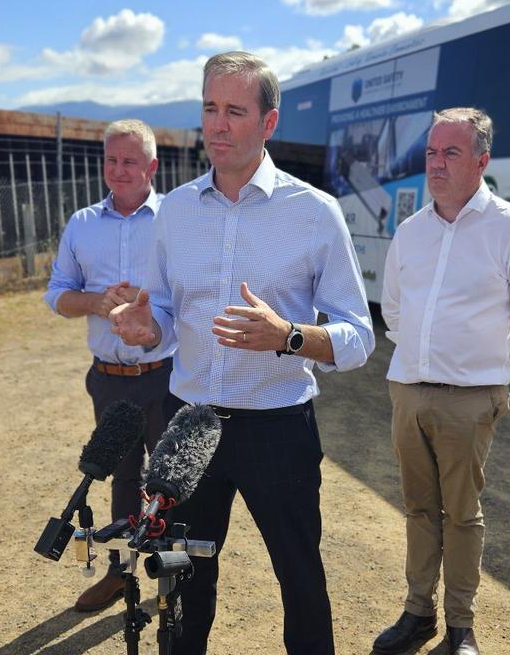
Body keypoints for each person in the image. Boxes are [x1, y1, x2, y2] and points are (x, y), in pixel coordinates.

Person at [111, 51, 374, 655]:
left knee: (300, 579)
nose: (218, 125)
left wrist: (287, 335)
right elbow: (168, 318)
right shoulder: (174, 211)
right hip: (191, 425)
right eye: (210, 108)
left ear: (269, 122)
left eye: (235, 110)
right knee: (182, 581)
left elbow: (359, 336)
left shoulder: (314, 212)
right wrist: (147, 328)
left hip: (278, 427)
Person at [374, 108, 510, 655]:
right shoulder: (411, 230)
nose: (437, 163)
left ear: (482, 161)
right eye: (431, 152)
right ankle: (417, 613)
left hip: (470, 400)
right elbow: (395, 309)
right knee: (419, 509)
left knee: (461, 514)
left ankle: (461, 625)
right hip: (409, 389)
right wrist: (423, 360)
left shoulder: (509, 228)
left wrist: (506, 365)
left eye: (451, 153)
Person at [44, 118, 176, 612]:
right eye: (112, 160)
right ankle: (120, 573)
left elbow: (191, 296)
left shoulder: (175, 220)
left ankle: (168, 581)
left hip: (163, 375)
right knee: (122, 477)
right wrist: (97, 303)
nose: (120, 170)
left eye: (131, 161)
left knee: (169, 484)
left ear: (152, 167)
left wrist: (148, 312)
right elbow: (57, 295)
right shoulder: (82, 224)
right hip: (109, 379)